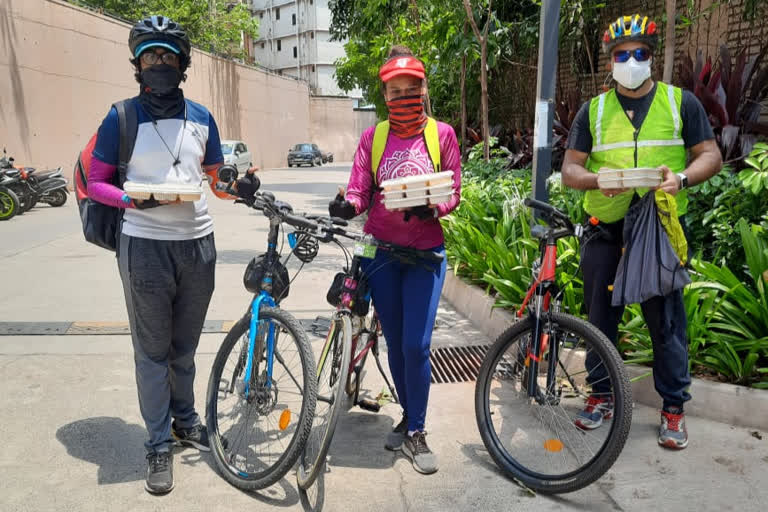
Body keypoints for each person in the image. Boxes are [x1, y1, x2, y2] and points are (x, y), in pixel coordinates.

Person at [87, 15, 259, 494]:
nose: (158, 63)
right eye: (150, 56)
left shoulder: (202, 117)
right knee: (152, 351)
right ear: (137, 65)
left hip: (198, 246)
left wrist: (239, 186)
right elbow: (97, 182)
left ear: (182, 65)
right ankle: (158, 443)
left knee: (184, 348)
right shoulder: (120, 117)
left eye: (167, 56)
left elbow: (216, 179)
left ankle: (185, 421)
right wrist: (130, 200)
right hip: (143, 246)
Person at [562, 14, 722, 450]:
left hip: (659, 228)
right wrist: (598, 180)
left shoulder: (680, 103)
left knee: (666, 319)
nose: (630, 61)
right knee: (599, 317)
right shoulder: (593, 110)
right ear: (610, 61)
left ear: (652, 56)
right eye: (621, 55)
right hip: (605, 227)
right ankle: (600, 395)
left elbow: (710, 155)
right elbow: (570, 170)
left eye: (639, 54)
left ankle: (673, 408)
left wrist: (683, 179)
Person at [328, 45, 461, 474]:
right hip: (381, 254)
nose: (403, 96)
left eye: (411, 88)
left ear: (423, 89)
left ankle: (418, 433)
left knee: (416, 346)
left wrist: (433, 208)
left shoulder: (443, 135)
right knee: (396, 345)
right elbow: (359, 188)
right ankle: (408, 415)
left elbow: (454, 190)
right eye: (394, 90)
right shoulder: (374, 138)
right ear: (384, 94)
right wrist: (347, 206)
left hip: (425, 254)